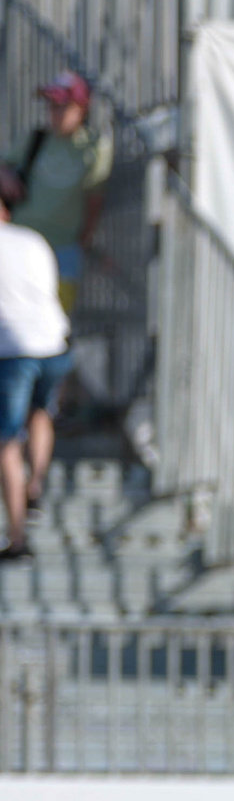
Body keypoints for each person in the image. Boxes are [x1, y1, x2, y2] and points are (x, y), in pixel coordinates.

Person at [0, 181, 69, 563]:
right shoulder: (33, 239)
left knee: (7, 442)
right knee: (41, 413)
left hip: (12, 351)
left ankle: (17, 539)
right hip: (54, 343)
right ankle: (36, 485)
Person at [10, 72, 111, 311]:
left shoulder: (95, 147)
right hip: (21, 243)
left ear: (82, 109)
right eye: (51, 106)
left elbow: (95, 195)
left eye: (63, 107)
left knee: (56, 318)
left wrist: (87, 234)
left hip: (63, 248)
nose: (55, 113)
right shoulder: (34, 139)